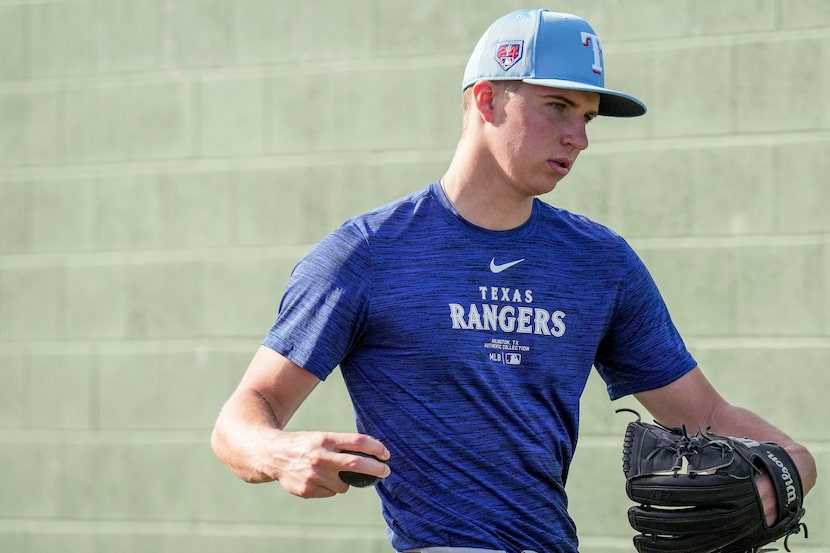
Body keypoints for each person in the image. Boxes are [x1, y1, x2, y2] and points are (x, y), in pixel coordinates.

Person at [211, 9, 817, 553]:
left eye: (587, 116)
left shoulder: (600, 263)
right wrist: (277, 452)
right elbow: (242, 416)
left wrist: (793, 468)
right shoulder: (366, 254)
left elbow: (704, 411)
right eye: (556, 106)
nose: (578, 137)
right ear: (485, 100)